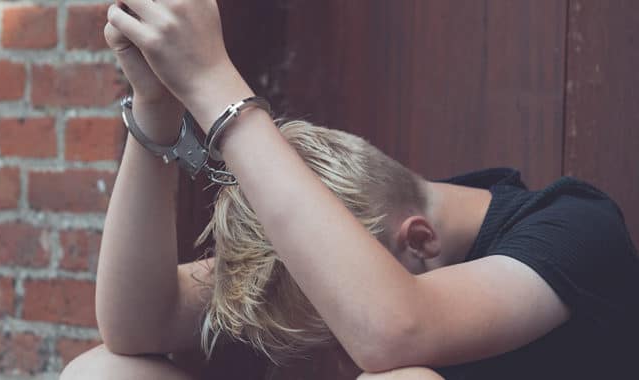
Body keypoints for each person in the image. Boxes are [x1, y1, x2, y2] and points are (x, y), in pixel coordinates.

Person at [60, 1, 639, 379]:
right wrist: (156, 104)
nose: (342, 365)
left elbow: (394, 332)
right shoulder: (356, 232)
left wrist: (213, 86)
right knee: (104, 373)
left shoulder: (573, 229)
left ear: (419, 240)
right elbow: (137, 323)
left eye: (337, 329)